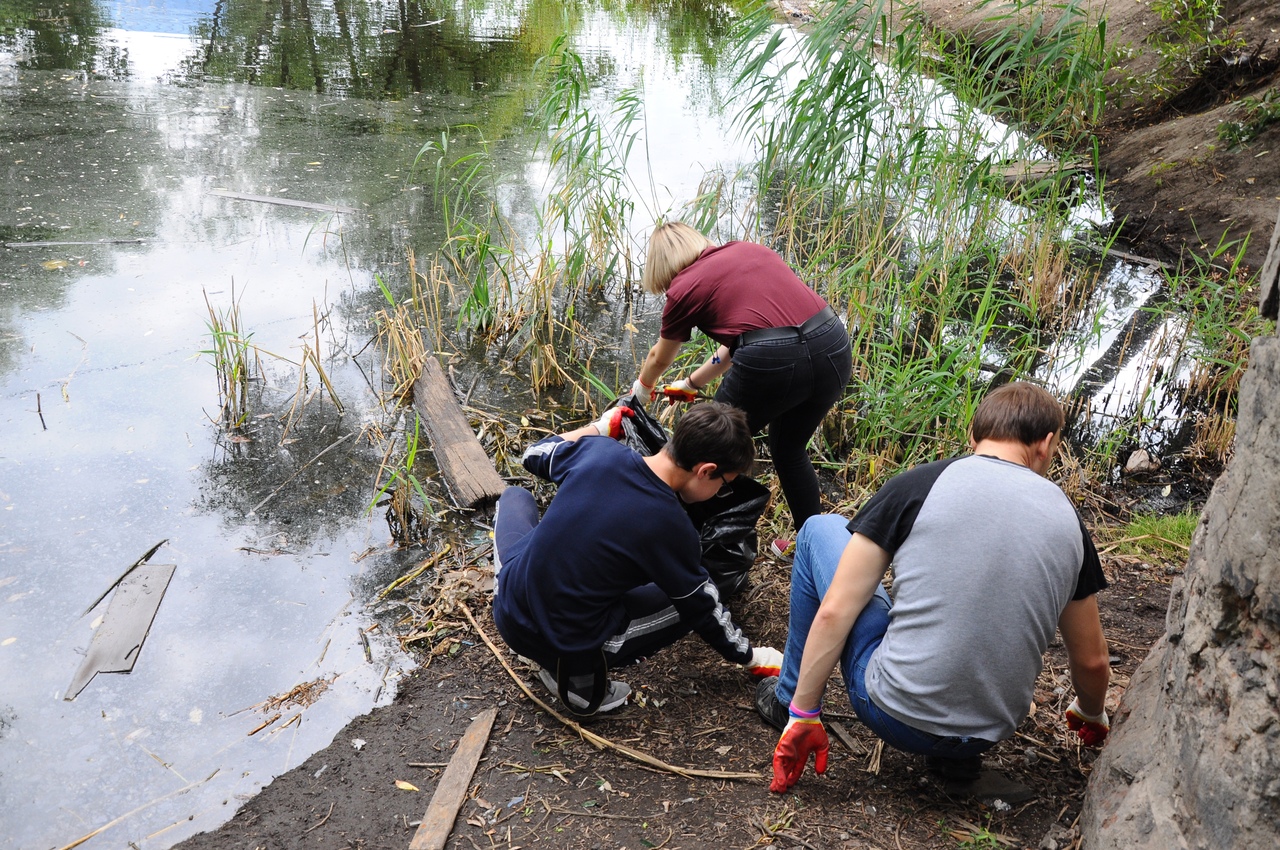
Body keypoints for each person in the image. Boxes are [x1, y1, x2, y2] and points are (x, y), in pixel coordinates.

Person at [756, 382, 1112, 793]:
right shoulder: (1070, 523)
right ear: (1046, 445)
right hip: (989, 731)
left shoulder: (920, 483)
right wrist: (1091, 713)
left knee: (821, 528)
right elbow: (1092, 661)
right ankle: (956, 763)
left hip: (893, 715)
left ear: (973, 438)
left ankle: (788, 700)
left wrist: (806, 715)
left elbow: (836, 609)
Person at [492, 401, 784, 716]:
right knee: (697, 594)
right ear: (706, 471)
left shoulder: (599, 452)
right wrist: (752, 656)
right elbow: (703, 608)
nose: (719, 493)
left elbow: (534, 453)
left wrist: (600, 427)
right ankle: (580, 682)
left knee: (514, 497)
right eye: (723, 486)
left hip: (509, 609)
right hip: (562, 643)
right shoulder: (671, 525)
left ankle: (536, 622)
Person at [630, 222, 852, 535]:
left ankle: (677, 540)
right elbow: (748, 338)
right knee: (788, 449)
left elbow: (659, 357)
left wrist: (641, 390)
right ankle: (811, 543)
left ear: (661, 269)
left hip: (773, 359)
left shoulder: (683, 287)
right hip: (833, 343)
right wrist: (692, 384)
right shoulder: (745, 250)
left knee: (702, 447)